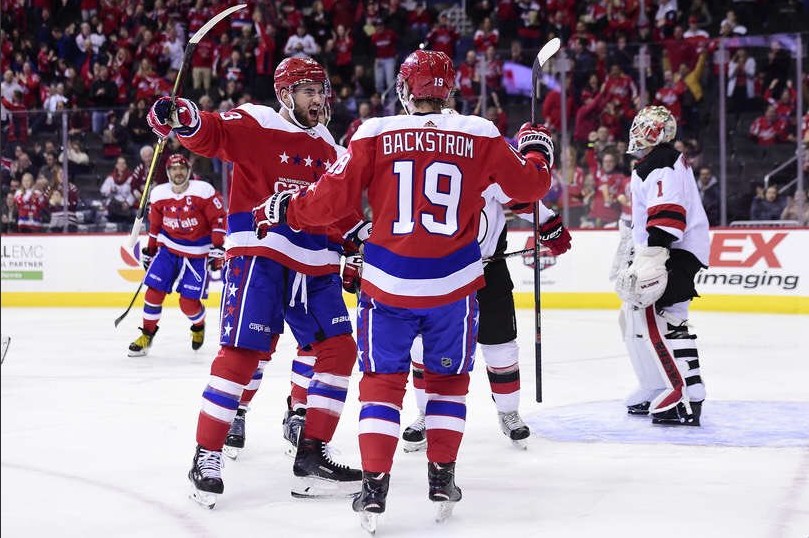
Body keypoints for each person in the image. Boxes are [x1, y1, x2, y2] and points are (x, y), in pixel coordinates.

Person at [254, 49, 553, 531]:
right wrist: (537, 149)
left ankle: (374, 490)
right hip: (454, 286)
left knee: (381, 385)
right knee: (448, 384)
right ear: (449, 90)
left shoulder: (373, 132)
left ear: (404, 91)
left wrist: (286, 209)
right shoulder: (480, 132)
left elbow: (329, 200)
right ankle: (442, 478)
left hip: (388, 284)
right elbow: (531, 186)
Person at [147, 56, 364, 508]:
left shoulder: (331, 147)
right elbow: (211, 132)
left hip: (316, 264)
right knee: (243, 355)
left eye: (321, 91)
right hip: (262, 255)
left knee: (340, 349)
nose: (318, 99)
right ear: (284, 95)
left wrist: (356, 246)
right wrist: (181, 116)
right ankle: (206, 455)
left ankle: (311, 458)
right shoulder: (256, 121)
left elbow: (342, 212)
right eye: (308, 91)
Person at [401, 184, 572, 451]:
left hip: (488, 271)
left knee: (501, 347)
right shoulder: (425, 155)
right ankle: (427, 414)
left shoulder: (483, 155)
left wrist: (548, 221)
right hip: (438, 270)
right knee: (425, 347)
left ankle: (508, 413)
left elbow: (519, 197)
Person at [613, 105, 708, 427]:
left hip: (675, 251)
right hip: (668, 249)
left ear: (655, 131)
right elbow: (647, 214)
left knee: (664, 319)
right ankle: (655, 385)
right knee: (633, 318)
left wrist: (653, 256)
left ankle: (685, 394)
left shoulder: (661, 162)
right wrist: (634, 247)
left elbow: (667, 215)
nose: (636, 132)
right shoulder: (650, 164)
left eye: (643, 127)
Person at [127, 154, 226, 358]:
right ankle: (147, 335)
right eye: (173, 169)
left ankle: (198, 325)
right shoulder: (159, 194)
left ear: (188, 170)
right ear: (168, 172)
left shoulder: (203, 190)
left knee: (188, 304)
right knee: (153, 292)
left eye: (181, 168)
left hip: (197, 253)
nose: (178, 172)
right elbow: (154, 226)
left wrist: (217, 247)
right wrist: (150, 249)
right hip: (168, 250)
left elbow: (218, 220)